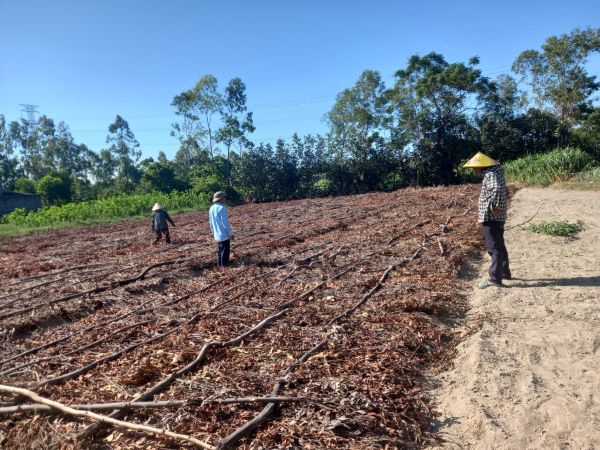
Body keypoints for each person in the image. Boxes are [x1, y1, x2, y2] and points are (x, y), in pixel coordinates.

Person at [463, 152, 511, 289]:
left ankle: (494, 279)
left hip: (491, 216)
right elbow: (504, 190)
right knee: (500, 245)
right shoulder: (497, 173)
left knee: (493, 248)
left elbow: (497, 188)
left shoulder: (490, 174)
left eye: (474, 167)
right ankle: (504, 272)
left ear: (481, 166)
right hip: (499, 217)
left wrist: (493, 206)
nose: (473, 170)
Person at [208, 191, 235, 267]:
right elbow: (225, 223)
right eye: (224, 197)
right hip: (224, 235)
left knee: (219, 252)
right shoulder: (222, 208)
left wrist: (213, 232)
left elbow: (210, 223)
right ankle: (224, 268)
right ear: (221, 198)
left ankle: (219, 266)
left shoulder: (211, 208)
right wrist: (230, 234)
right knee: (225, 253)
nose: (225, 199)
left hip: (217, 235)